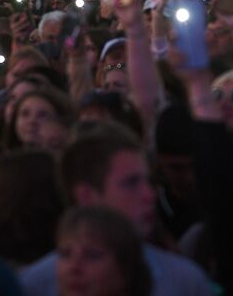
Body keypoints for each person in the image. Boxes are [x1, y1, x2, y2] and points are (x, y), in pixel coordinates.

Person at [20, 124, 212, 296]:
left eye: (148, 181)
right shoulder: (34, 286)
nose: (149, 195)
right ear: (86, 196)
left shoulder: (185, 282)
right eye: (131, 183)